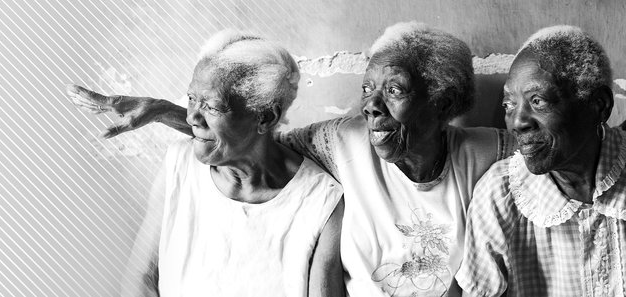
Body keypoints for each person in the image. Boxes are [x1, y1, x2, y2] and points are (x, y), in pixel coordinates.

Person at [68, 22, 513, 296]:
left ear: (442, 101)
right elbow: (253, 141)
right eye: (365, 89)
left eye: (393, 91)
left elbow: (553, 149)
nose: (371, 106)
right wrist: (166, 112)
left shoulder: (486, 154)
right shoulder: (344, 141)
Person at [114, 30, 345, 297]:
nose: (192, 118)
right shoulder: (180, 165)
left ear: (265, 117)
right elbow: (141, 278)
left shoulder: (320, 201)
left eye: (212, 107)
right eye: (191, 99)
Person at [457, 26, 625, 296]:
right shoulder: (500, 195)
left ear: (599, 105)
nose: (518, 122)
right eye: (509, 105)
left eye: (538, 101)